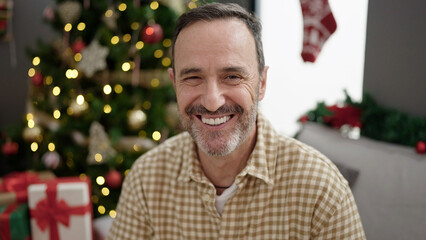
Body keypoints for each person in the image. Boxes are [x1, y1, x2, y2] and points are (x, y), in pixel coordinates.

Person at [108, 3, 366, 239]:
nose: (212, 101)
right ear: (174, 83)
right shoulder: (146, 179)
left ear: (262, 84)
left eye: (232, 76)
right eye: (193, 77)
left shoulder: (322, 189)